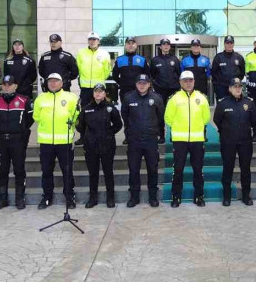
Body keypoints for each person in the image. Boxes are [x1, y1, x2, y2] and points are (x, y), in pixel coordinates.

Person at [33, 73, 80, 210]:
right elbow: (37, 116)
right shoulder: (41, 98)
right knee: (46, 171)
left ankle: (69, 196)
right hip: (46, 142)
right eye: (50, 81)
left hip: (64, 141)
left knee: (67, 171)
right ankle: (47, 197)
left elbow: (76, 114)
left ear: (61, 83)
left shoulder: (71, 97)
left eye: (56, 81)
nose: (53, 83)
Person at [165, 71, 211, 207]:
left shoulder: (201, 98)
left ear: (194, 82)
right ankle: (176, 197)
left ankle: (199, 196)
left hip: (197, 140)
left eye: (190, 80)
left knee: (198, 169)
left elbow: (206, 117)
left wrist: (197, 127)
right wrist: (179, 127)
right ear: (180, 82)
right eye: (185, 81)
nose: (188, 83)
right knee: (178, 169)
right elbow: (168, 117)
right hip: (180, 140)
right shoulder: (174, 98)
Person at [0, 75, 34, 210]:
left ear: (15, 86)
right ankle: (2, 199)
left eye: (10, 84)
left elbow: (29, 120)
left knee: (19, 170)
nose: (7, 86)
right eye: (4, 84)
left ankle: (20, 198)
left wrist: (21, 131)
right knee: (2, 171)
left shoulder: (24, 100)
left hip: (18, 141)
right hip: (2, 141)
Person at [76, 83, 123, 208]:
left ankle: (110, 198)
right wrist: (89, 136)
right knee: (93, 173)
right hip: (91, 146)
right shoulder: (86, 109)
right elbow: (80, 126)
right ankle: (93, 198)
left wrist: (108, 134)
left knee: (108, 172)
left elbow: (118, 124)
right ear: (93, 94)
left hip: (107, 145)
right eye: (96, 91)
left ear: (104, 93)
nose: (98, 93)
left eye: (101, 91)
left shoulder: (110, 108)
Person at [121, 74, 165, 207]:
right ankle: (134, 197)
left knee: (152, 168)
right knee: (134, 169)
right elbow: (125, 116)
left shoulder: (156, 98)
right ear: (136, 84)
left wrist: (157, 134)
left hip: (150, 140)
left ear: (149, 84)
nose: (142, 85)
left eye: (144, 83)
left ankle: (153, 197)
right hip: (134, 140)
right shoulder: (128, 98)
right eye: (139, 83)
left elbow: (160, 118)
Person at [213, 78, 256, 206]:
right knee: (228, 169)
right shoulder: (223, 103)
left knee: (245, 169)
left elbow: (253, 121)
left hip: (245, 141)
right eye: (235, 86)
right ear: (230, 88)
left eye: (239, 86)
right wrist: (226, 132)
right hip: (228, 141)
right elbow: (217, 120)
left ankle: (246, 196)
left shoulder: (249, 103)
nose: (238, 88)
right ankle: (226, 196)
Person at [76, 31, 112, 106]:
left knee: (100, 109)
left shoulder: (104, 54)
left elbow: (107, 70)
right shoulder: (81, 53)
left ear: (98, 41)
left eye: (94, 39)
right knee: (85, 109)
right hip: (85, 88)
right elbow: (78, 67)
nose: (92, 42)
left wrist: (100, 78)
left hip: (99, 87)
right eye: (90, 39)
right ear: (88, 41)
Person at [112, 37, 150, 101]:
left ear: (136, 45)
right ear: (125, 46)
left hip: (139, 91)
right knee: (125, 110)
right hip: (124, 92)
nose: (131, 45)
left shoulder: (142, 59)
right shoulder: (119, 60)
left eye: (133, 43)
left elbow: (148, 75)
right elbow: (114, 76)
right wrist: (122, 83)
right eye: (128, 43)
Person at [211, 35, 245, 102]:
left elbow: (242, 73)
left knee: (235, 106)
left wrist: (236, 82)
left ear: (233, 44)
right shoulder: (218, 57)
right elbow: (214, 73)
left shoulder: (239, 57)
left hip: (235, 87)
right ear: (224, 44)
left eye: (231, 43)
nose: (229, 45)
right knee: (222, 107)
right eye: (227, 43)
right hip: (221, 88)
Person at [149, 37, 181, 105]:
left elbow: (179, 73)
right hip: (160, 89)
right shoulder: (155, 60)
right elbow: (152, 74)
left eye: (167, 44)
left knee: (173, 107)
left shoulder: (175, 59)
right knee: (160, 108)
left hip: (173, 89)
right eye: (164, 44)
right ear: (160, 47)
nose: (166, 46)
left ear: (170, 47)